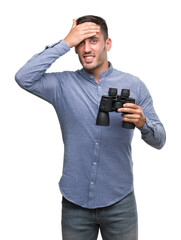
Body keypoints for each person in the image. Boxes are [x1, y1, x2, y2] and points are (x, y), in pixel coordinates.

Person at [15, 15, 166, 240]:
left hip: (120, 202)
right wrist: (65, 42)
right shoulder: (62, 85)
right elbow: (23, 77)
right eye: (81, 42)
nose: (86, 48)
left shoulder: (134, 85)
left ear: (108, 44)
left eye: (93, 40)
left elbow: (160, 141)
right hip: (75, 202)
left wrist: (143, 123)